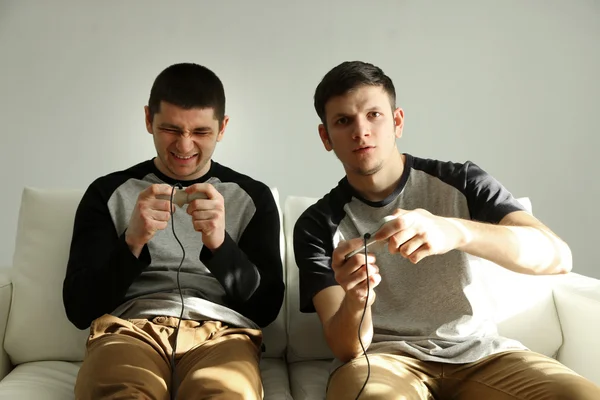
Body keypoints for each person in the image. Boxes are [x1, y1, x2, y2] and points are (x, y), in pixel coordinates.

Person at [293, 60, 600, 399]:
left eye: (374, 115)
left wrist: (455, 232)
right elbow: (346, 349)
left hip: (480, 354)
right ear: (326, 136)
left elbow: (557, 257)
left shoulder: (462, 181)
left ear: (397, 122)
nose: (360, 131)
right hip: (383, 361)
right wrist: (356, 299)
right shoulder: (316, 224)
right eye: (343, 121)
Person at [63, 62, 285, 400]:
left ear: (222, 128)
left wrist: (220, 245)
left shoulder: (252, 197)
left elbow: (267, 309)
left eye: (200, 132)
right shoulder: (108, 193)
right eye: (171, 129)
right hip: (129, 329)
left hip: (221, 334)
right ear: (148, 120)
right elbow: (78, 309)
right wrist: (132, 242)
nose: (184, 146)